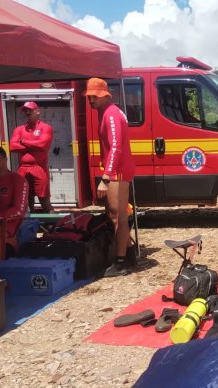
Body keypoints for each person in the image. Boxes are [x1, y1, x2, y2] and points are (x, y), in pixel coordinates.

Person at [84, 77, 136, 277]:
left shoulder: (111, 114)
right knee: (117, 216)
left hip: (118, 171)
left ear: (105, 95)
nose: (91, 101)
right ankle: (129, 256)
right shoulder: (109, 112)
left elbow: (116, 146)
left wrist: (106, 176)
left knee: (117, 217)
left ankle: (121, 262)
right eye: (89, 97)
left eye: (94, 97)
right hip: (118, 169)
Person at [9, 101, 54, 213]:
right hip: (23, 168)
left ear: (37, 111)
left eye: (30, 110)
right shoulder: (18, 129)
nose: (27, 112)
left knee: (44, 200)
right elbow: (12, 147)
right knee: (25, 200)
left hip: (39, 167)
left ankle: (55, 226)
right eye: (25, 110)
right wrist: (33, 145)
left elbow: (42, 145)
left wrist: (23, 141)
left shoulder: (46, 128)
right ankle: (29, 225)